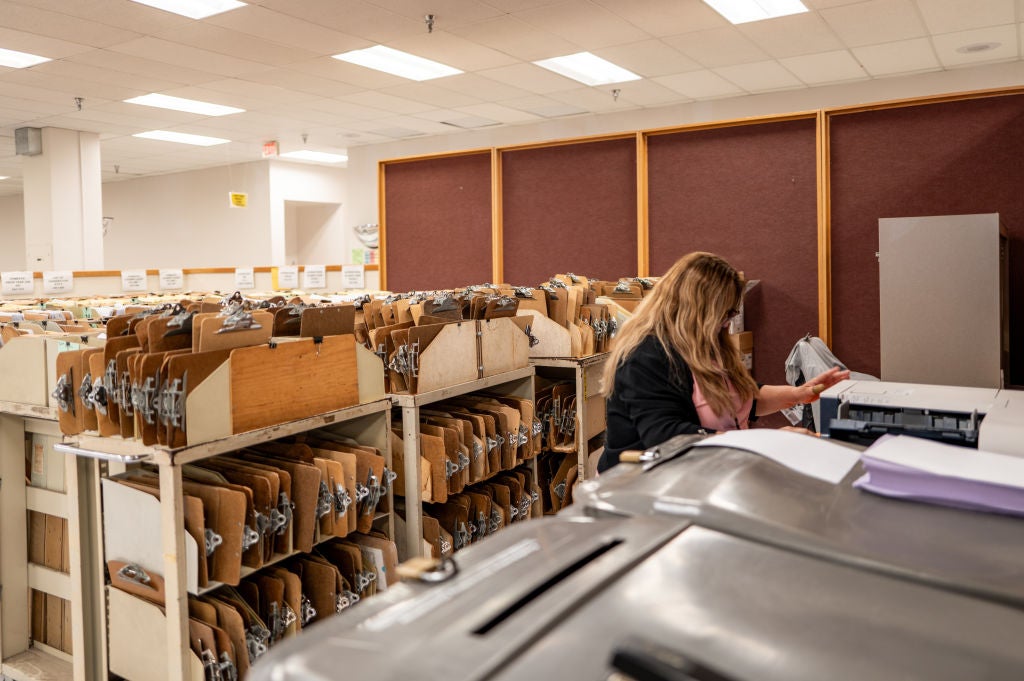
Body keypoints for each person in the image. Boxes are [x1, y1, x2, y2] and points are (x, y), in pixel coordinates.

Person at [598, 251, 849, 473]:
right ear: (699, 310)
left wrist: (799, 394)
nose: (730, 319)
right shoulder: (646, 356)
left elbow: (741, 398)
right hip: (638, 489)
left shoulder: (706, 346)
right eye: (727, 312)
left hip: (697, 474)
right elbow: (668, 438)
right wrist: (768, 443)